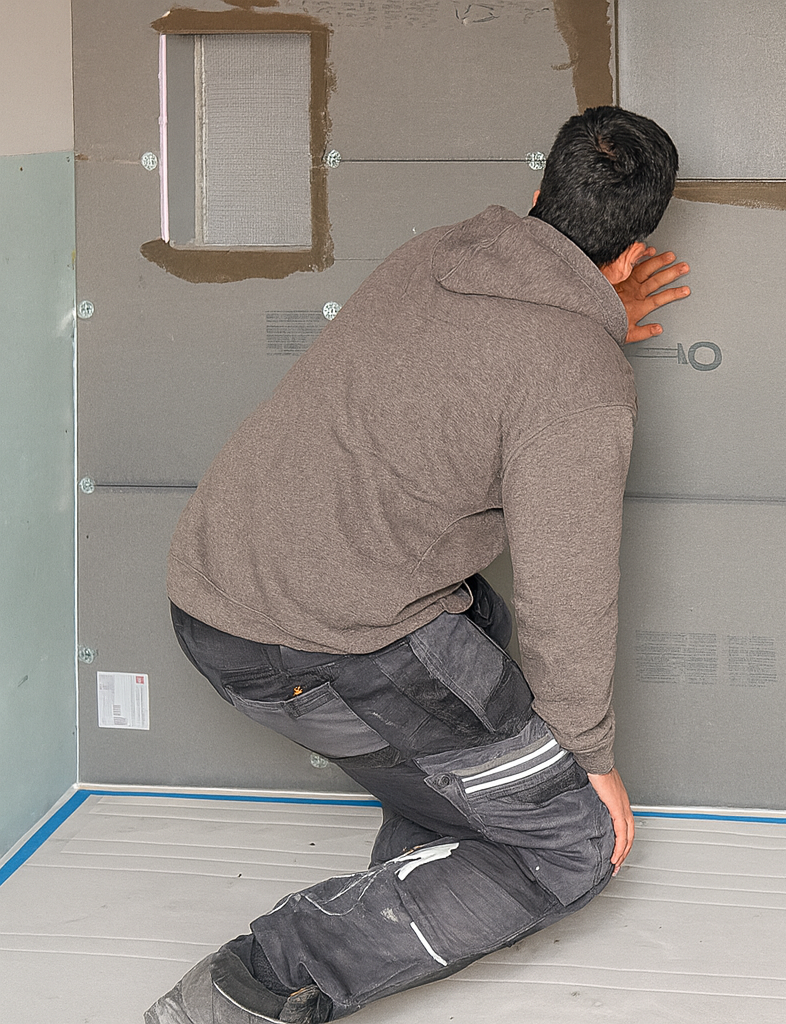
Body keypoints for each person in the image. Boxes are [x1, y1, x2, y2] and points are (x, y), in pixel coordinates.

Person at [146, 106, 689, 1024]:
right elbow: (571, 594)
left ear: (537, 191)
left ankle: (404, 888)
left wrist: (589, 323)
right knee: (567, 845)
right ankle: (255, 985)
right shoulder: (577, 378)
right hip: (319, 647)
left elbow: (462, 371)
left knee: (485, 639)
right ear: (635, 251)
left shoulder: (433, 256)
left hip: (212, 594)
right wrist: (588, 760)